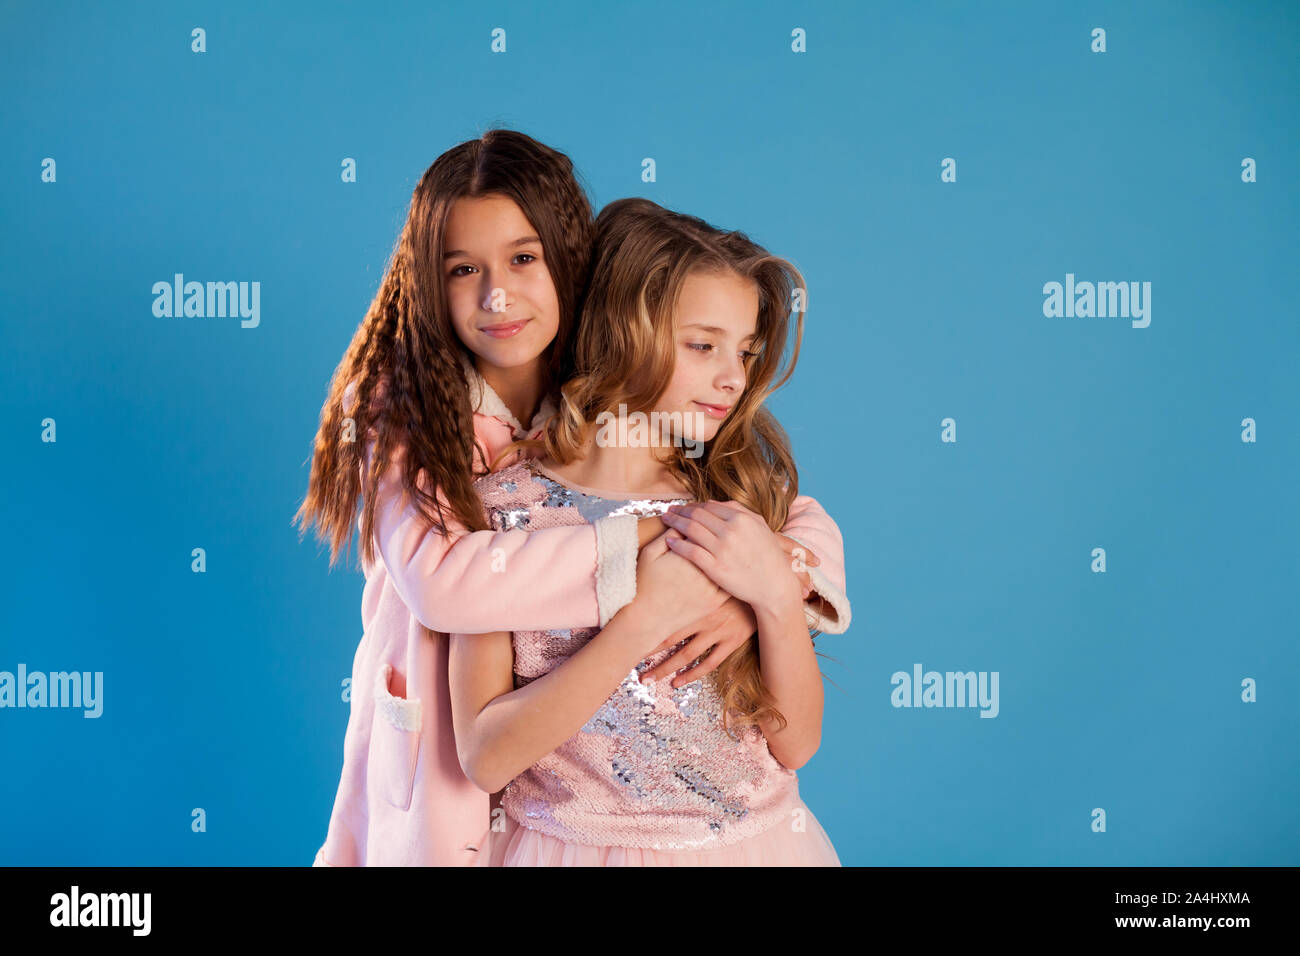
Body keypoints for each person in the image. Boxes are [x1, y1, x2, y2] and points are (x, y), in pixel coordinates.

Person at [296, 130, 851, 866]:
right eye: (463, 269)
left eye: (525, 258)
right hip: (489, 793)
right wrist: (653, 570)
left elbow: (791, 517)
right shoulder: (405, 411)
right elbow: (445, 583)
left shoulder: (633, 403)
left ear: (572, 267)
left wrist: (754, 583)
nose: (498, 294)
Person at [450, 197, 842, 865]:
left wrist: (774, 597)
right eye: (702, 345)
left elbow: (796, 743)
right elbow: (486, 758)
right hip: (570, 847)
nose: (733, 377)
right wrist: (641, 619)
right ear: (619, 328)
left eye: (744, 351)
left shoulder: (736, 501)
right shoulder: (505, 513)